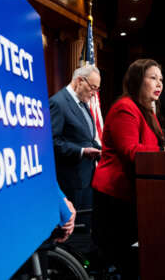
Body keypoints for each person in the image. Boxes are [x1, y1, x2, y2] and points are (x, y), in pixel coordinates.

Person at [91, 59, 165, 279]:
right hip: (115, 197)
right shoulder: (125, 107)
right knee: (124, 260)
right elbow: (132, 152)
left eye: (161, 79)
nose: (159, 83)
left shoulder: (148, 112)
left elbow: (155, 148)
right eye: (152, 77)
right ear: (136, 80)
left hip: (136, 194)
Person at [49, 65, 102, 231]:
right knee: (74, 232)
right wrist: (81, 151)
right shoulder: (58, 103)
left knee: (86, 227)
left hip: (87, 178)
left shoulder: (82, 102)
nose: (94, 93)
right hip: (70, 181)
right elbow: (53, 141)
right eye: (93, 88)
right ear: (79, 81)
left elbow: (86, 137)